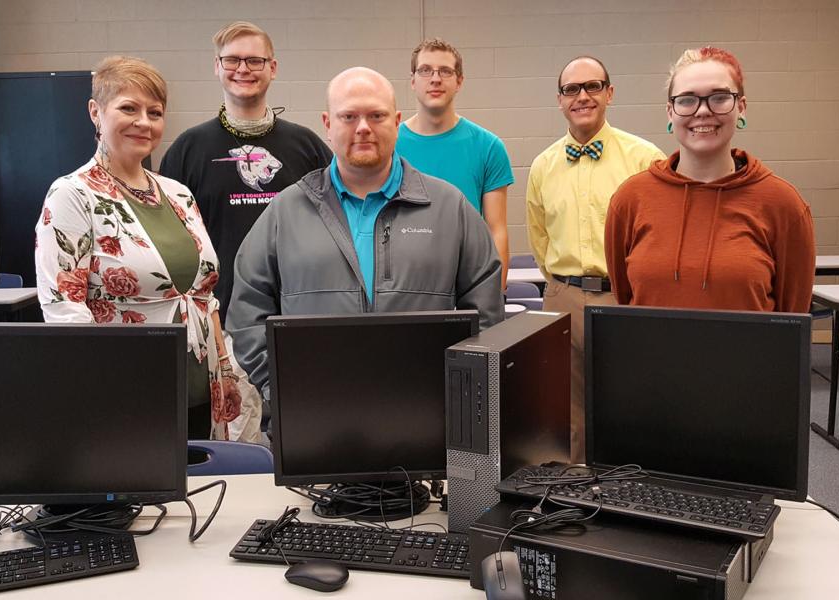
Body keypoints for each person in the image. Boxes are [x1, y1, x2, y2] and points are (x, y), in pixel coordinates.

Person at [226, 67, 504, 403]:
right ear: (328, 124)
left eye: (376, 115)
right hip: (313, 416)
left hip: (428, 411)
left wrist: (459, 391)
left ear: (396, 122)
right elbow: (246, 310)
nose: (363, 128)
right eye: (349, 116)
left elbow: (485, 311)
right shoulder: (285, 212)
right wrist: (284, 387)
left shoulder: (449, 208)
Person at [34, 56, 251, 442]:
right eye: (128, 108)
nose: (143, 122)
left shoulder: (177, 193)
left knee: (208, 496)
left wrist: (226, 369)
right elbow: (65, 310)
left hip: (204, 389)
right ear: (95, 112)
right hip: (127, 394)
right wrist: (101, 393)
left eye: (155, 112)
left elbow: (204, 295)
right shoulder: (73, 195)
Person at [526, 56, 665, 463]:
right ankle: (572, 492)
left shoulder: (645, 158)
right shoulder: (543, 165)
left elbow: (657, 234)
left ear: (609, 93)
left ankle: (630, 488)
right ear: (559, 100)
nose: (582, 96)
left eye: (592, 86)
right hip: (563, 296)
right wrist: (560, 288)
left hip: (624, 297)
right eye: (572, 89)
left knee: (630, 399)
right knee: (565, 409)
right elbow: (539, 238)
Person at [606, 47, 814, 313]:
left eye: (719, 97)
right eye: (687, 100)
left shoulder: (783, 205)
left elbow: (790, 317)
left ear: (741, 107)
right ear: (670, 112)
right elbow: (625, 300)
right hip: (653, 356)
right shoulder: (630, 199)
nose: (702, 111)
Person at [159, 21, 332, 323]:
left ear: (273, 67)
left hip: (295, 315)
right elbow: (168, 241)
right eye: (232, 60)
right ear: (217, 66)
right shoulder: (187, 149)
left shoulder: (307, 146)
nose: (243, 69)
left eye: (255, 60)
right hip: (216, 317)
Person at [396, 38, 513, 290]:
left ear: (459, 81)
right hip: (402, 286)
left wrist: (495, 295)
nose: (435, 78)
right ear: (413, 81)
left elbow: (497, 231)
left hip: (468, 283)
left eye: (445, 71)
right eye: (425, 70)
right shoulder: (389, 146)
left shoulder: (489, 147)